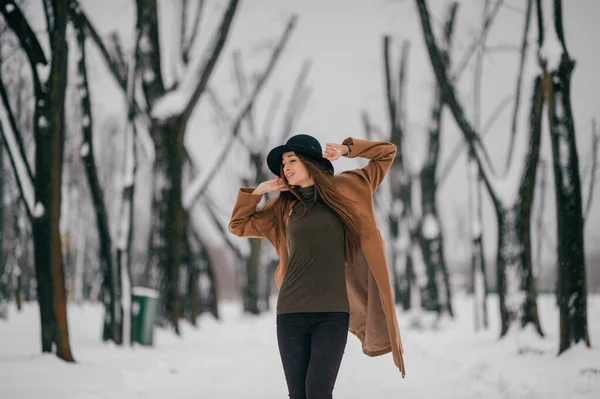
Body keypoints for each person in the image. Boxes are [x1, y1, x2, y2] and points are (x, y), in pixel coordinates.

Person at [229, 134, 406, 398]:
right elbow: (239, 226)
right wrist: (258, 193)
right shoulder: (283, 208)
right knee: (298, 395)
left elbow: (387, 152)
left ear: (312, 162)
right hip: (290, 313)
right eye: (283, 164)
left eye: (292, 160)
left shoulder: (349, 187)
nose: (286, 167)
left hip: (332, 314)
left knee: (318, 391)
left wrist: (347, 149)